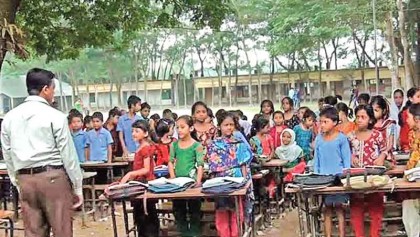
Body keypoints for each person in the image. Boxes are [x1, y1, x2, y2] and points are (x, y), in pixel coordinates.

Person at [0, 68, 83, 237]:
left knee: (33, 232)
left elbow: (7, 153)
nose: (54, 94)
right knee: (62, 231)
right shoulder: (55, 116)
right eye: (53, 89)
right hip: (53, 178)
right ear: (46, 89)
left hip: (25, 180)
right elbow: (68, 154)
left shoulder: (9, 118)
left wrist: (17, 181)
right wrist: (77, 185)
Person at [206, 112, 252, 237]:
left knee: (237, 214)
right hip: (220, 183)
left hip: (238, 182)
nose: (229, 127)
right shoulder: (214, 145)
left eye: (231, 124)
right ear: (219, 126)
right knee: (222, 215)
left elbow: (244, 165)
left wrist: (245, 183)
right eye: (226, 125)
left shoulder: (240, 143)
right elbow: (212, 168)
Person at [348, 105, 387, 237]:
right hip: (356, 178)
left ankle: (374, 234)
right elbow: (344, 153)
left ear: (370, 120)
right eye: (357, 117)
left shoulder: (377, 135)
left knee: (376, 207)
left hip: (373, 177)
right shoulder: (350, 136)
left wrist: (382, 157)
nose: (359, 120)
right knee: (356, 208)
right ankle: (359, 234)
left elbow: (385, 150)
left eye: (363, 117)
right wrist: (350, 156)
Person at [314, 107, 351, 237]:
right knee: (327, 209)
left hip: (339, 178)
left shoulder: (342, 139)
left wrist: (346, 176)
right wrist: (316, 176)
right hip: (324, 179)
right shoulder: (318, 139)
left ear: (335, 122)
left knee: (340, 209)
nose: (322, 125)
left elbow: (347, 159)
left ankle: (342, 235)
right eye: (321, 122)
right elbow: (316, 160)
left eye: (325, 122)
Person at [120, 120, 159, 237]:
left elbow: (146, 169)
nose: (133, 134)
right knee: (141, 217)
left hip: (144, 185)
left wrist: (130, 174)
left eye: (137, 131)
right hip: (140, 183)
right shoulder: (142, 147)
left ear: (146, 133)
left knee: (146, 217)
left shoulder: (145, 148)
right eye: (132, 131)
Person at [168, 115, 205, 237]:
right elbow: (170, 161)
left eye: (182, 127)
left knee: (194, 209)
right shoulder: (174, 145)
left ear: (191, 128)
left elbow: (200, 164)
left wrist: (198, 181)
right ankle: (184, 232)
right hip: (178, 184)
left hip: (192, 183)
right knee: (179, 210)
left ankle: (194, 232)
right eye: (177, 128)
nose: (179, 130)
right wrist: (173, 177)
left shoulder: (197, 146)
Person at [403, 103, 420, 237]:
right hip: (414, 181)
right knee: (408, 206)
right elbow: (412, 158)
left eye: (408, 117)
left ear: (417, 119)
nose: (406, 120)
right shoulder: (411, 134)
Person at [371, 95, 396, 168]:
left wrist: (383, 154)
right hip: (372, 155)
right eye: (372, 110)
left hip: (386, 156)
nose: (373, 113)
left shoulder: (389, 124)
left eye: (376, 110)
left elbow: (390, 144)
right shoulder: (369, 124)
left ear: (384, 110)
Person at [400, 87, 420, 152]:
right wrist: (406, 147)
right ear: (410, 98)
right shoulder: (406, 113)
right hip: (410, 148)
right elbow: (404, 133)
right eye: (418, 96)